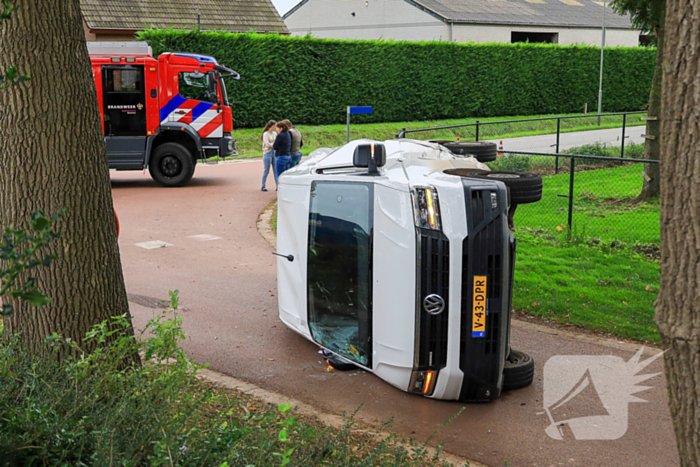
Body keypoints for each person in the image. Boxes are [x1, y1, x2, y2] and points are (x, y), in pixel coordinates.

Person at [260, 120, 277, 191]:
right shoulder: (266, 134)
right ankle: (263, 185)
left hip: (274, 152)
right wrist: (274, 145)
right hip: (267, 152)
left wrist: (273, 145)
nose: (276, 127)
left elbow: (276, 142)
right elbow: (266, 144)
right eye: (275, 126)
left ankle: (277, 185)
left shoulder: (275, 133)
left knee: (275, 169)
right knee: (266, 169)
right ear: (272, 126)